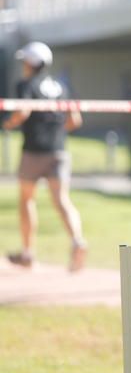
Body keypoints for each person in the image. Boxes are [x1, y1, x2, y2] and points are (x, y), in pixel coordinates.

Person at [3, 41, 87, 271]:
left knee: (27, 200)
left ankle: (28, 253)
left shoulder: (26, 84)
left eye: (25, 61)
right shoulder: (61, 85)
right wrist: (55, 132)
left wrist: (8, 124)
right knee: (62, 200)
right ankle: (78, 240)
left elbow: (22, 111)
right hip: (59, 150)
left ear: (32, 63)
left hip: (33, 151)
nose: (23, 66)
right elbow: (75, 120)